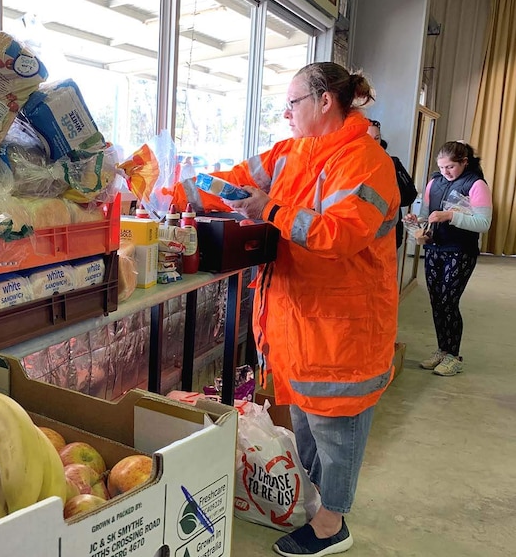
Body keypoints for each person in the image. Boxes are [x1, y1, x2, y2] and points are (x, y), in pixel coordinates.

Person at [171, 62, 400, 557]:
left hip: (343, 333)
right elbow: (233, 182)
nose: (286, 112)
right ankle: (319, 508)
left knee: (336, 432)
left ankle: (332, 526)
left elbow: (337, 235)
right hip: (297, 325)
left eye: (293, 101)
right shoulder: (289, 154)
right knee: (307, 430)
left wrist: (270, 210)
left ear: (324, 102)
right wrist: (171, 190)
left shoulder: (365, 162)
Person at [404, 141, 492, 376]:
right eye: (442, 167)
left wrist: (450, 216)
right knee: (436, 302)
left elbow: (483, 223)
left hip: (460, 250)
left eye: (450, 167)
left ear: (464, 162)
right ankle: (442, 350)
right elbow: (427, 216)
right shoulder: (435, 182)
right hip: (434, 250)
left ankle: (454, 355)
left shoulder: (476, 184)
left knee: (449, 301)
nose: (446, 172)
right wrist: (416, 223)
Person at [367, 119, 418, 248]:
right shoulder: (350, 163)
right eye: (368, 138)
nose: (374, 143)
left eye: (376, 138)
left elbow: (410, 195)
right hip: (364, 232)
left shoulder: (392, 162)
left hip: (389, 231)